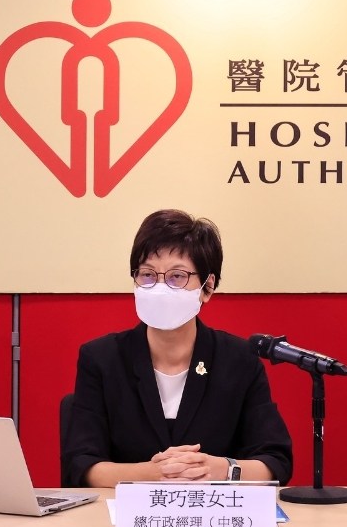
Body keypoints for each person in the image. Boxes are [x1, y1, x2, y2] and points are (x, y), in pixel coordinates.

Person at [61, 209, 292, 488]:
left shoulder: (240, 360)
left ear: (208, 286)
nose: (160, 287)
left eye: (176, 276)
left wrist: (220, 469)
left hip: (213, 511)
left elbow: (275, 461)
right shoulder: (102, 359)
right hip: (124, 513)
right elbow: (82, 464)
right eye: (147, 275)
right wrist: (153, 474)